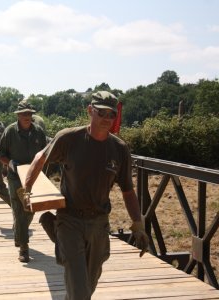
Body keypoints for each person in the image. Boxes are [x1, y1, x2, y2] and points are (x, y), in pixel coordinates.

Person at [24, 91, 149, 299]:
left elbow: (128, 190)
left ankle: (52, 228)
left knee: (86, 287)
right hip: (70, 219)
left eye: (111, 115)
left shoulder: (119, 149)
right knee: (80, 292)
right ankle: (58, 231)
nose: (107, 119)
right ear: (90, 111)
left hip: (99, 225)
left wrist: (138, 224)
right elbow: (41, 157)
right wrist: (26, 190)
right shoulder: (69, 138)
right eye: (101, 113)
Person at [0, 100, 47, 263]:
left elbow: (45, 155)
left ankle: (19, 230)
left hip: (33, 178)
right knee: (19, 209)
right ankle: (24, 248)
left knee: (30, 209)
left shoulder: (39, 132)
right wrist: (9, 163)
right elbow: (0, 153)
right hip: (15, 178)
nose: (27, 116)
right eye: (24, 114)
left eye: (29, 114)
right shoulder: (10, 131)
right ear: (18, 115)